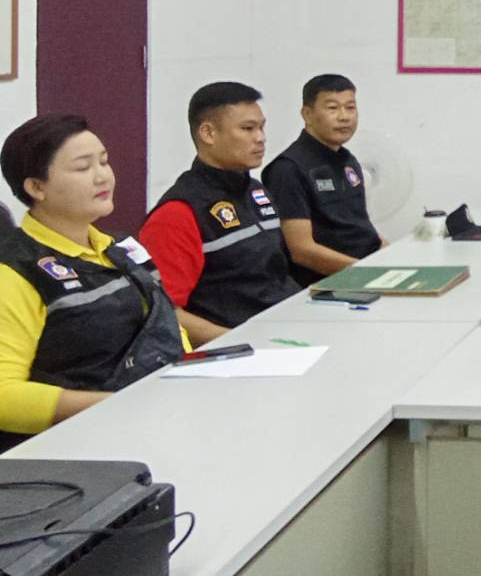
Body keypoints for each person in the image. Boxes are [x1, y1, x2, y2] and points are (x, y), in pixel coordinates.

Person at [0, 115, 186, 449]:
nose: (103, 176)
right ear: (36, 187)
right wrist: (120, 404)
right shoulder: (14, 271)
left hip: (159, 419)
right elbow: (4, 396)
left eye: (104, 161)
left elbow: (165, 325)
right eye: (83, 167)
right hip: (76, 449)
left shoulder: (121, 247)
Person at [140, 82, 298, 344]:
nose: (260, 138)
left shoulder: (257, 192)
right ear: (208, 133)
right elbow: (165, 314)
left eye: (261, 127)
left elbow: (274, 276)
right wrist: (244, 342)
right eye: (247, 128)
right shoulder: (177, 213)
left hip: (287, 327)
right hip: (241, 346)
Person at [262, 74, 383, 286]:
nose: (344, 117)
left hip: (365, 270)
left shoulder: (348, 160)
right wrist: (369, 273)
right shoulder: (287, 169)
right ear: (307, 115)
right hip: (330, 285)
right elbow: (302, 251)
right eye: (332, 108)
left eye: (350, 107)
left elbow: (360, 229)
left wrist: (393, 258)